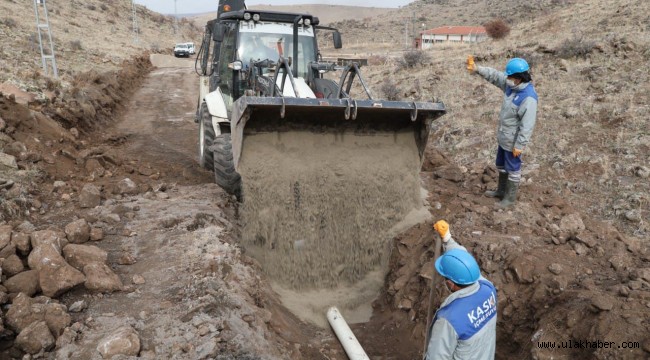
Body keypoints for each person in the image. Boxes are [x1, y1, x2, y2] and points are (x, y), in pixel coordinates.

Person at [468, 56, 539, 208]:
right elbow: (495, 75)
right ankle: (501, 191)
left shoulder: (528, 98)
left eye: (510, 77)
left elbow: (527, 125)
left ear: (519, 78)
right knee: (500, 165)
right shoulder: (511, 86)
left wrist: (520, 145)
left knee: (513, 168)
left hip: (513, 141)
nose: (507, 79)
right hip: (504, 137)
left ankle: (509, 199)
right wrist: (477, 69)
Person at [425, 220, 497, 360]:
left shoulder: (449, 319)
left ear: (451, 284)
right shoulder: (488, 289)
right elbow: (464, 263)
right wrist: (447, 238)